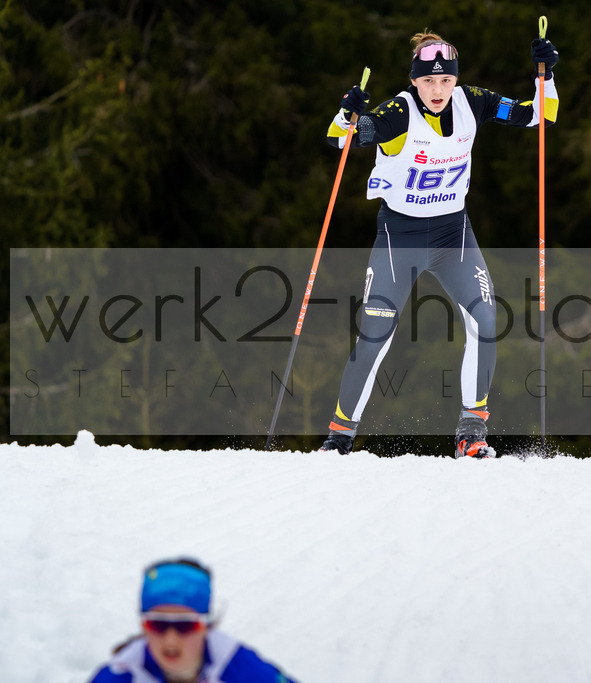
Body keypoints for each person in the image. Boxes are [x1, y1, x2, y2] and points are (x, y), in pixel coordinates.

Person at [318, 28, 560, 458]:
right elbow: (343, 139)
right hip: (401, 238)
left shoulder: (473, 100)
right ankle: (339, 438)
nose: (438, 90)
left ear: (455, 79)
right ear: (414, 80)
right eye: (428, 81)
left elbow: (537, 115)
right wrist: (347, 115)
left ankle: (472, 433)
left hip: (453, 236)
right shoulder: (398, 111)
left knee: (486, 321)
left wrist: (546, 75)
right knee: (375, 332)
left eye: (445, 80)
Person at [88, 557, 297, 683]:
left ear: (207, 626)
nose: (171, 640)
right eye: (157, 624)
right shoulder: (120, 675)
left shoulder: (233, 662)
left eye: (185, 625)